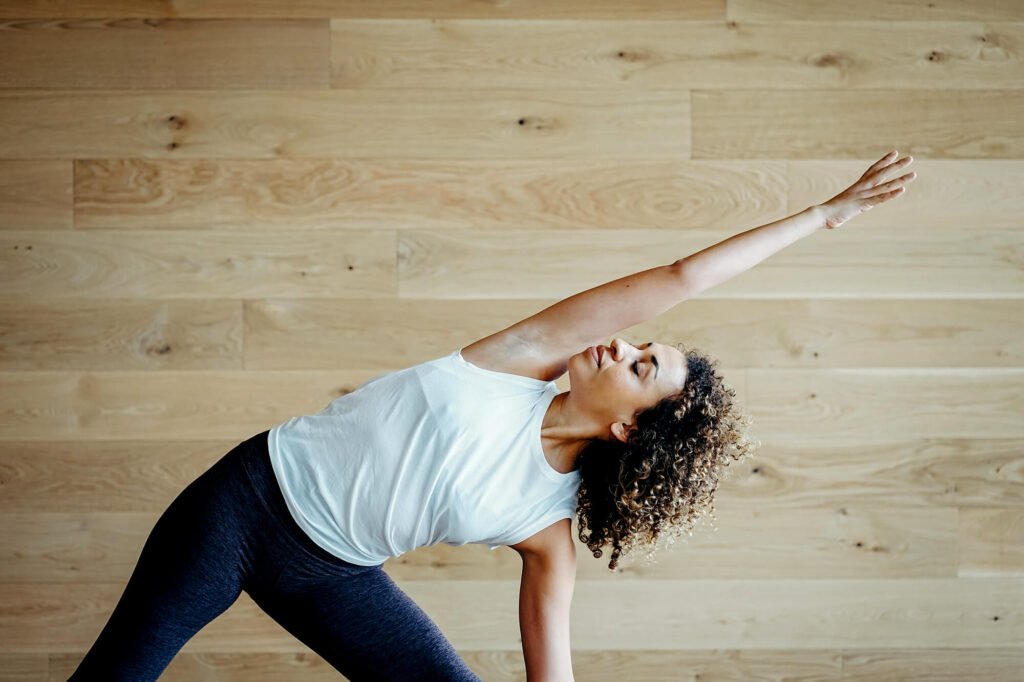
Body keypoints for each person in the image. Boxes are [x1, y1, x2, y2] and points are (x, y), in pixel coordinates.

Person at [69, 151, 915, 681]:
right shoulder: (524, 357)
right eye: (636, 344)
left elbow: (554, 669)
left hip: (330, 574)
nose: (620, 345)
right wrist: (824, 214)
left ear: (629, 429)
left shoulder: (545, 530)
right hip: (240, 506)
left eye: (641, 366)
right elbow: (681, 275)